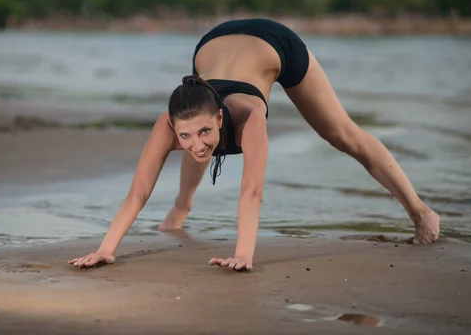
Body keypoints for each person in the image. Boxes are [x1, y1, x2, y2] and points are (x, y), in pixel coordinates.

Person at [68, 18, 440, 271]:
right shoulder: (172, 124)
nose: (194, 146)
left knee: (341, 134)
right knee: (197, 138)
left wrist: (242, 254)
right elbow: (137, 193)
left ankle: (421, 211)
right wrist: (105, 250)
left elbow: (251, 190)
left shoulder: (249, 118)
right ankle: (181, 208)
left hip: (275, 44)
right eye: (183, 137)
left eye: (204, 132)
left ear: (219, 118)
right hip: (213, 42)